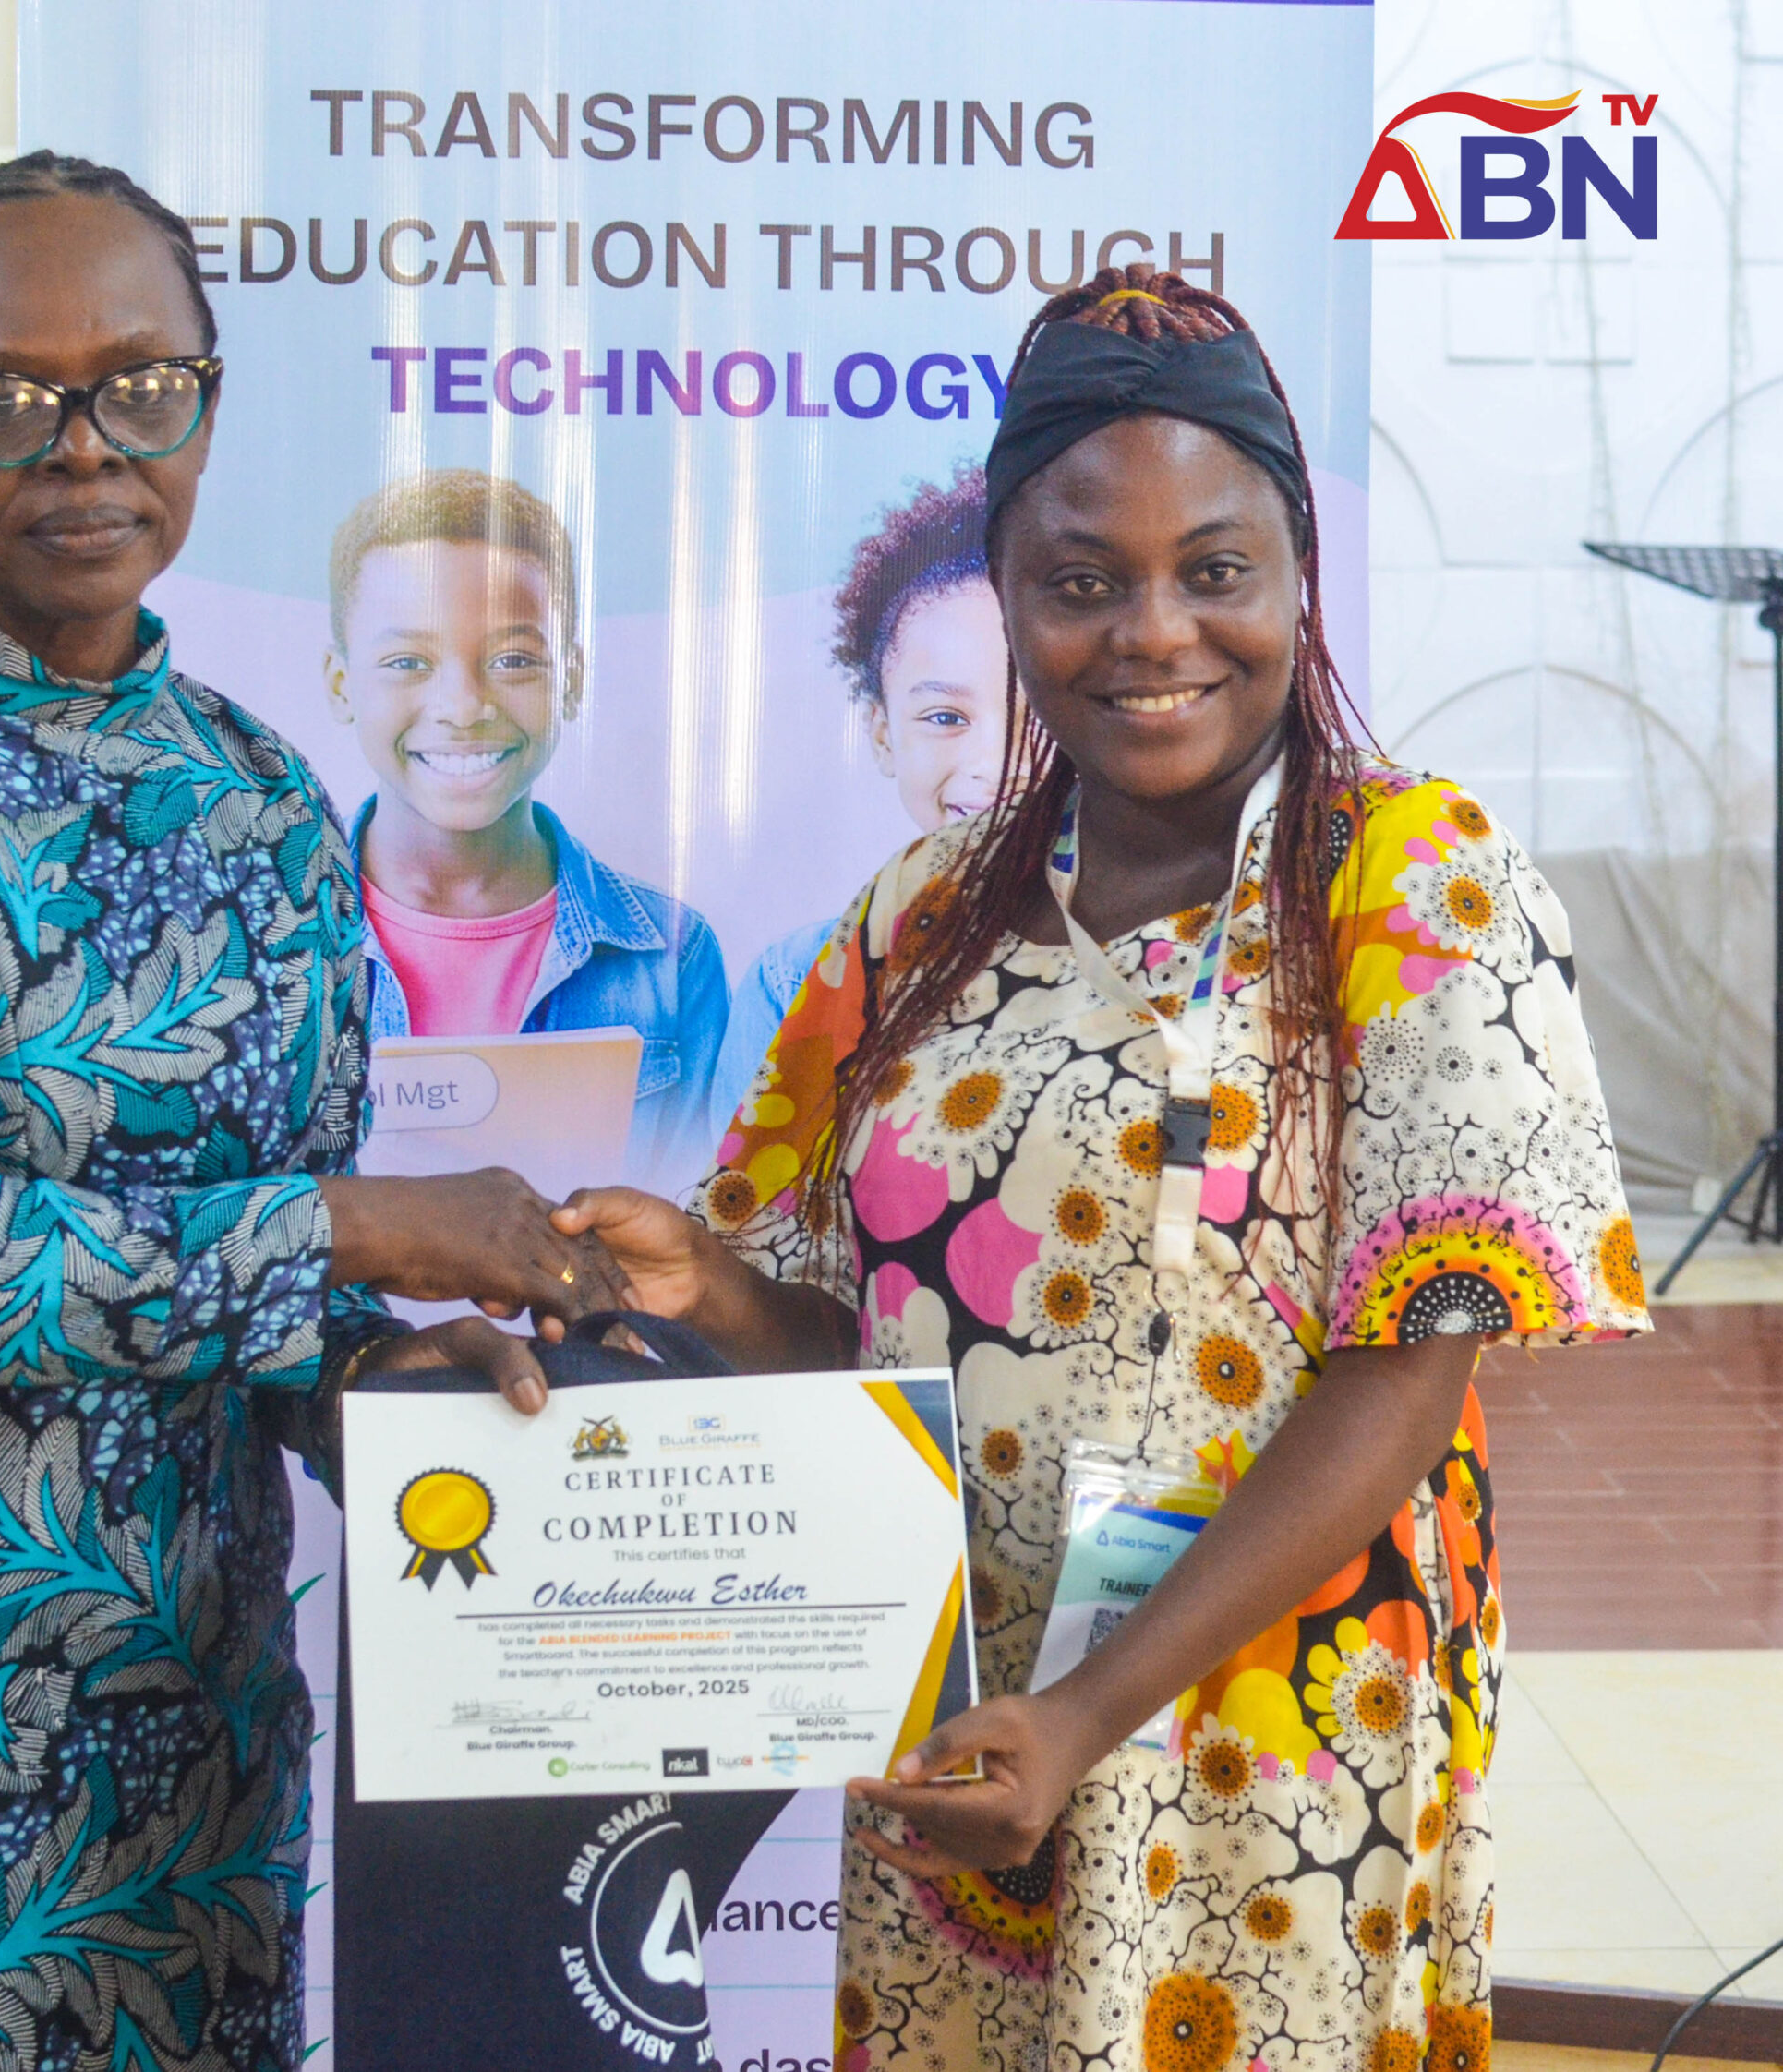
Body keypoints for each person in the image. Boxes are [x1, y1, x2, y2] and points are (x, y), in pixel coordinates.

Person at [550, 267, 1649, 2069]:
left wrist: (1086, 1714)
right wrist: (710, 1291)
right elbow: (869, 1344)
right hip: (968, 1737)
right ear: (1006, 597)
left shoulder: (1415, 881)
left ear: (1297, 574)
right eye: (1080, 582)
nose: (1153, 632)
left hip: (1280, 1740)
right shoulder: (916, 919)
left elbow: (1399, 1382)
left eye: (1214, 570)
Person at [0, 151, 620, 2072]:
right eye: (6, 396)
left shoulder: (261, 796)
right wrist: (355, 1231)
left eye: (141, 387)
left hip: (179, 1766)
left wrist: (426, 1379)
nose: (85, 447)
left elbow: (275, 1288)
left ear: (206, 412)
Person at [324, 468, 728, 1184]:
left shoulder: (672, 959)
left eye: (512, 660)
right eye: (408, 662)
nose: (462, 705)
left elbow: (696, 1224)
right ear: (341, 684)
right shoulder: (260, 943)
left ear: (570, 679)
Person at [710, 464, 1006, 1131]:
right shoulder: (795, 983)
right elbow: (738, 1193)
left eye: (1037, 713)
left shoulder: (1174, 964)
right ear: (882, 735)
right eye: (945, 718)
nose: (993, 768)